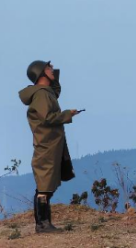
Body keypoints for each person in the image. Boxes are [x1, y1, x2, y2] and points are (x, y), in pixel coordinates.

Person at [19, 60, 80, 233]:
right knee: (44, 186)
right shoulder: (41, 95)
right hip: (47, 145)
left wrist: (53, 74)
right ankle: (42, 224)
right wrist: (67, 114)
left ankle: (44, 223)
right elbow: (47, 118)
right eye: (48, 68)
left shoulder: (46, 92)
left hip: (51, 144)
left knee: (47, 183)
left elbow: (55, 91)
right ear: (40, 73)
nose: (52, 69)